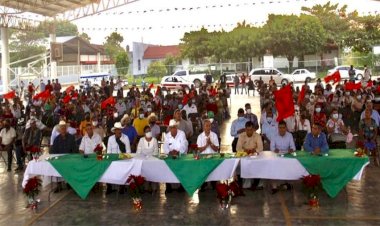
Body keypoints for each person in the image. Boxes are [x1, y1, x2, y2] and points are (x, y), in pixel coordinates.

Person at [269, 120, 296, 194]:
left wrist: (291, 149)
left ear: (286, 128)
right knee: (273, 166)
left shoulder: (289, 135)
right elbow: (272, 148)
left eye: (283, 128)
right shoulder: (274, 135)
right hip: (277, 156)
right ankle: (274, 186)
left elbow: (293, 147)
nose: (281, 129)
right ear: (278, 128)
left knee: (290, 165)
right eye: (280, 128)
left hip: (287, 156)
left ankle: (287, 183)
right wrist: (275, 150)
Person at [162, 120, 188, 193]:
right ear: (169, 128)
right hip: (171, 157)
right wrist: (170, 152)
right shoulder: (167, 136)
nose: (173, 129)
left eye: (174, 127)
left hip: (180, 156)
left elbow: (184, 144)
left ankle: (182, 186)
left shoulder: (182, 133)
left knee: (182, 167)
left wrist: (178, 151)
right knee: (166, 166)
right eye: (171, 127)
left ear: (177, 127)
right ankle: (168, 186)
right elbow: (165, 147)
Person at [236, 121, 263, 190]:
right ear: (245, 129)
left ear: (253, 129)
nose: (249, 131)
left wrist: (254, 150)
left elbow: (260, 148)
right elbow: (238, 148)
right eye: (247, 130)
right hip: (244, 156)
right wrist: (245, 151)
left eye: (251, 130)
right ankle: (240, 183)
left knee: (259, 164)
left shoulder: (257, 136)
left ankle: (255, 183)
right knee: (238, 165)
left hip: (254, 156)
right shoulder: (241, 136)